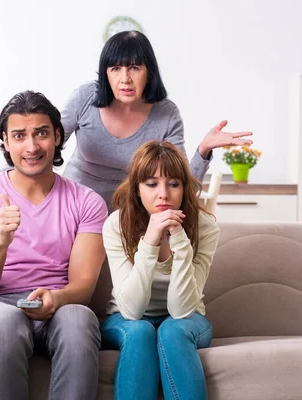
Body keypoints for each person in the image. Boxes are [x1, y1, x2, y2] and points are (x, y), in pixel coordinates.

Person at [0, 30, 252, 210]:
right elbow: (42, 142)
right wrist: (5, 175)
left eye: (134, 68)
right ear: (105, 72)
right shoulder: (85, 97)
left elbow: (178, 182)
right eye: (115, 69)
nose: (124, 78)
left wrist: (203, 150)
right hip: (73, 203)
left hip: (132, 211)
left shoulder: (166, 113)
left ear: (148, 71)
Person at [0, 90, 108, 399]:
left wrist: (56, 299)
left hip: (56, 307)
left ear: (58, 136)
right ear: (6, 142)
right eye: (19, 135)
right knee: (6, 322)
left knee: (79, 318)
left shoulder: (87, 202)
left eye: (41, 133)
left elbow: (83, 286)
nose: (31, 146)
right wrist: (2, 242)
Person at [100, 140, 221, 400]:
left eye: (173, 184)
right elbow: (131, 311)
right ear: (137, 189)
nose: (163, 194)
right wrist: (150, 241)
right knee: (141, 330)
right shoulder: (116, 225)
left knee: (172, 330)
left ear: (184, 188)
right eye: (152, 184)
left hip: (186, 317)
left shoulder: (206, 227)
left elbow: (180, 311)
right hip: (125, 317)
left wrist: (179, 241)